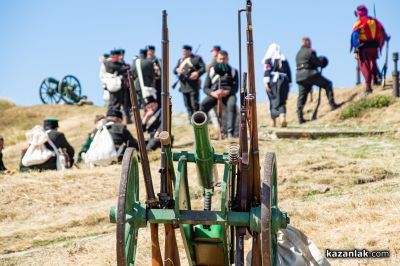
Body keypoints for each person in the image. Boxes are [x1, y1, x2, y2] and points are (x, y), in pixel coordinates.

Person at [296, 37, 340, 124]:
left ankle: (300, 117)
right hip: (310, 74)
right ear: (306, 42)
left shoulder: (298, 54)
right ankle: (332, 105)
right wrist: (321, 61)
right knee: (328, 84)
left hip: (299, 76)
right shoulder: (310, 51)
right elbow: (317, 62)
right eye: (310, 42)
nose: (311, 43)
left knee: (302, 96)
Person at [351, 4, 390, 95]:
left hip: (364, 48)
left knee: (364, 66)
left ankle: (368, 87)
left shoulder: (359, 22)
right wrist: (387, 38)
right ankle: (376, 79)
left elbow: (354, 37)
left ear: (358, 14)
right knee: (373, 63)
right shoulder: (375, 21)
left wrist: (356, 50)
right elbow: (383, 32)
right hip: (374, 47)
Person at [200, 50, 238, 138]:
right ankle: (202, 132)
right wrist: (213, 93)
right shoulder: (211, 71)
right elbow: (205, 88)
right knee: (203, 106)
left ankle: (230, 133)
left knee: (232, 105)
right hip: (215, 94)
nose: (222, 61)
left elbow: (235, 88)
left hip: (228, 94)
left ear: (227, 59)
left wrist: (226, 92)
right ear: (217, 59)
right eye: (220, 59)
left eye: (224, 59)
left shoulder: (233, 71)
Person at [262, 43, 292, 127]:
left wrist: (266, 83)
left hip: (273, 81)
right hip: (284, 81)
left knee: (273, 99)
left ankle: (273, 121)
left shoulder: (269, 60)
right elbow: (289, 72)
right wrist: (289, 83)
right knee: (282, 101)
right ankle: (282, 118)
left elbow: (267, 71)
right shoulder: (284, 60)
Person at [174, 45, 206, 120]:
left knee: (194, 104)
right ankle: (190, 119)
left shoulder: (197, 58)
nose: (183, 52)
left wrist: (197, 73)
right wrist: (177, 70)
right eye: (183, 51)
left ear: (189, 51)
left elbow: (203, 68)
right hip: (183, 85)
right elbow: (174, 70)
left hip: (193, 85)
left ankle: (197, 120)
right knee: (187, 104)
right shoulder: (180, 60)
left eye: (185, 51)